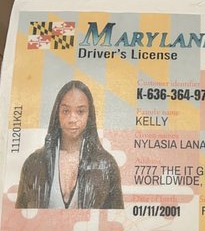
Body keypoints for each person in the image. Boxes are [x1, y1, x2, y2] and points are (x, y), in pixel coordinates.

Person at [16, 80, 124, 209]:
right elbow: (19, 216)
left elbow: (117, 217)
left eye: (80, 111)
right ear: (57, 113)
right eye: (66, 111)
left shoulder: (107, 165)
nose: (72, 119)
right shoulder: (34, 163)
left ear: (89, 115)